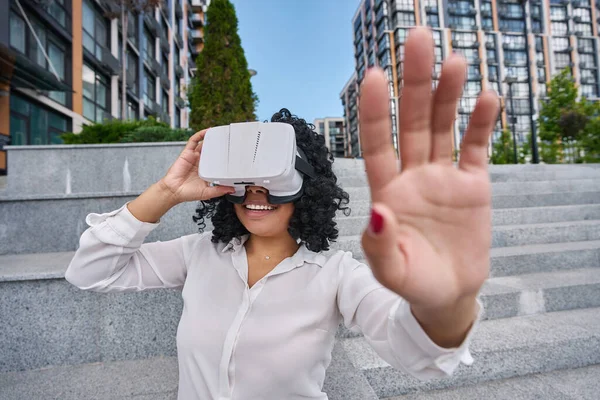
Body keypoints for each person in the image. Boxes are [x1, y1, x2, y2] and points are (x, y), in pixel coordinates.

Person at [65, 27, 499, 400]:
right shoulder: (199, 254)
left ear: (306, 190)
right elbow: (91, 271)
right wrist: (167, 190)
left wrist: (446, 304)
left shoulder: (336, 276)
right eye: (246, 182)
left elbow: (417, 353)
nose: (257, 194)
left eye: (273, 181)